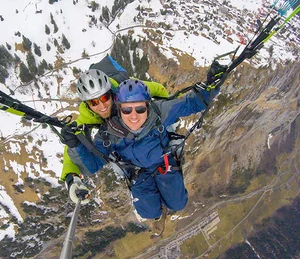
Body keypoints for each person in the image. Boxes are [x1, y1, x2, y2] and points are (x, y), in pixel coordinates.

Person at [61, 75, 220, 234]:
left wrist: (213, 84)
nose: (134, 115)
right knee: (149, 213)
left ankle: (165, 204)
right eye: (127, 110)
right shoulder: (107, 134)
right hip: (137, 172)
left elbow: (193, 103)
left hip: (162, 162)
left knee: (178, 204)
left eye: (140, 109)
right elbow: (93, 164)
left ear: (147, 105)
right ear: (120, 107)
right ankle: (158, 214)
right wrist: (75, 145)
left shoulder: (158, 111)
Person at [60, 65, 170, 204]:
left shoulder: (127, 90)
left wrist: (164, 118)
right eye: (94, 102)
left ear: (111, 93)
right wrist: (71, 176)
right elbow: (72, 143)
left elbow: (158, 89)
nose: (102, 106)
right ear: (87, 104)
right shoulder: (86, 118)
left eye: (105, 97)